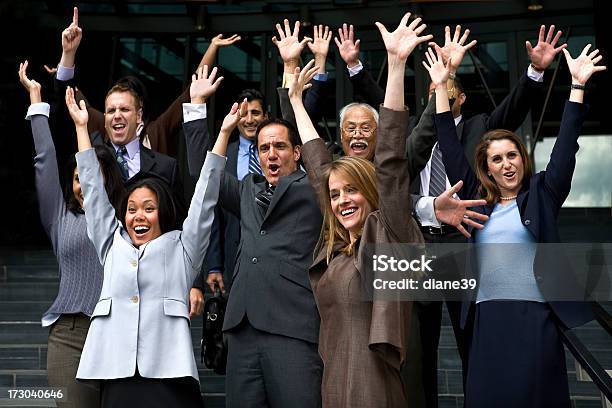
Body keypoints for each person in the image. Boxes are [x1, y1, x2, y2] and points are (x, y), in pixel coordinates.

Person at [424, 42, 605, 407]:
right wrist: (441, 87)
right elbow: (448, 142)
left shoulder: (542, 193)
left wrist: (577, 87)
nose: (506, 164)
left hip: (533, 320)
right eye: (496, 159)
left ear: (522, 160)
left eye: (512, 156)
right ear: (486, 166)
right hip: (487, 321)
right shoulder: (476, 202)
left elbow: (566, 148)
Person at [287, 13, 434, 407]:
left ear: (371, 193)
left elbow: (389, 155)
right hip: (335, 383)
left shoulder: (391, 229)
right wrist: (297, 102)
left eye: (352, 191)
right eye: (335, 196)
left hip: (378, 387)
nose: (341, 201)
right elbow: (320, 168)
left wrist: (398, 64)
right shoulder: (333, 249)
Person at [64, 66, 226, 408]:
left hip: (169, 374)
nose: (139, 215)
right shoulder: (111, 243)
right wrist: (81, 128)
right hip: (118, 373)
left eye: (148, 208)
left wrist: (222, 134)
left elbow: (204, 199)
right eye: (132, 209)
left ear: (162, 213)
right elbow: (93, 191)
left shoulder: (181, 247)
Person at [183, 97, 323, 408]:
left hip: (292, 326)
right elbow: (205, 176)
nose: (271, 154)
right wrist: (201, 112)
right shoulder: (247, 189)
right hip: (242, 329)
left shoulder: (315, 188)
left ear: (298, 153)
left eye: (280, 147)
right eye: (263, 148)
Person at [18, 60, 125, 408]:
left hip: (120, 333)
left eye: (92, 175)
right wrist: (37, 102)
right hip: (71, 336)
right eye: (78, 177)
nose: (84, 185)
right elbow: (45, 159)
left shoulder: (127, 219)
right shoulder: (59, 215)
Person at [54, 7, 240, 155]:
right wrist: (68, 53)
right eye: (112, 108)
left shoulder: (156, 131)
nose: (117, 114)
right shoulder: (105, 123)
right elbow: (69, 95)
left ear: (139, 110)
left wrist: (212, 47)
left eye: (126, 107)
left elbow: (193, 92)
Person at [203, 88, 269, 294]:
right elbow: (212, 210)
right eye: (244, 113)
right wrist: (214, 264)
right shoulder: (224, 154)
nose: (249, 120)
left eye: (256, 113)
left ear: (266, 116)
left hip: (272, 253)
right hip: (233, 256)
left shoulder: (277, 150)